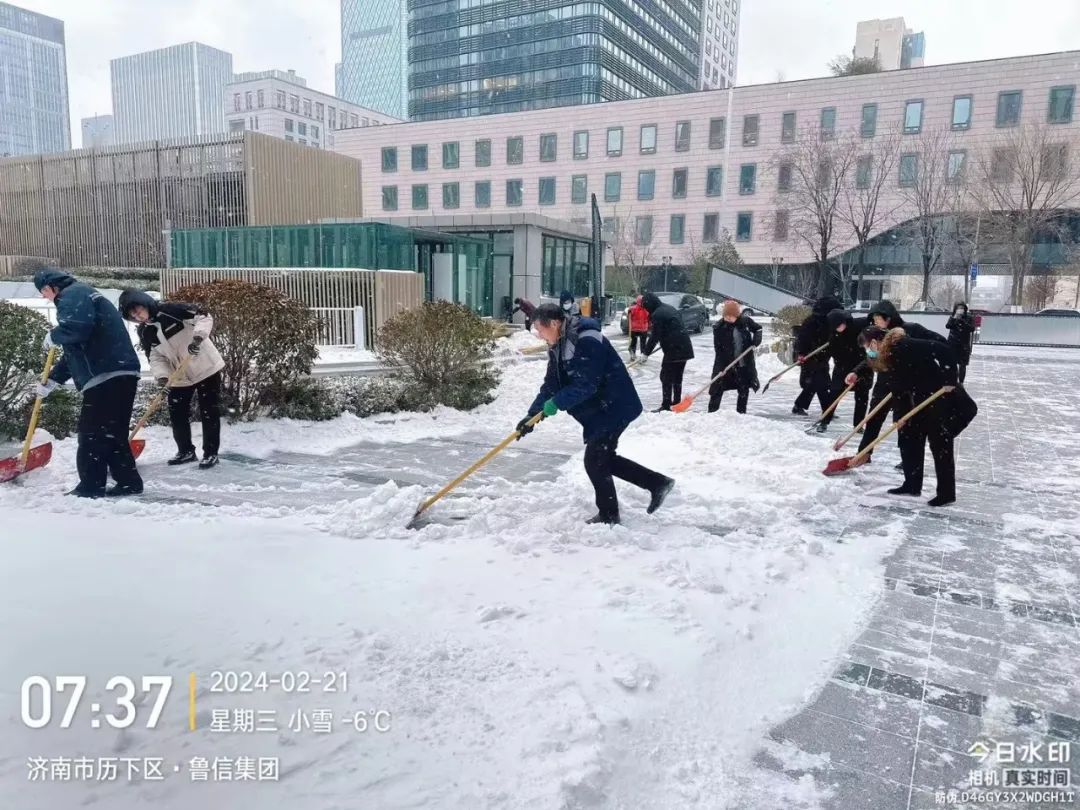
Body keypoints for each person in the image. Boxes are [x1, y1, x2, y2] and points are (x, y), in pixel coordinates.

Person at [515, 304, 675, 525]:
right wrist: (532, 416)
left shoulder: (586, 339)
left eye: (540, 330)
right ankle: (657, 483)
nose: (539, 336)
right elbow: (551, 384)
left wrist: (556, 403)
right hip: (599, 410)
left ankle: (609, 515)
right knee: (603, 459)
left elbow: (587, 384)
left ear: (554, 324)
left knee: (595, 461)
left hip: (614, 406)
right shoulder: (558, 344)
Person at [31, 269, 143, 498]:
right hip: (120, 371)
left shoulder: (72, 295)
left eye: (43, 291)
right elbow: (74, 350)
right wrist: (53, 380)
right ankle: (129, 483)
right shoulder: (83, 293)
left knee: (91, 433)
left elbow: (76, 329)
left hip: (106, 373)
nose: (44, 297)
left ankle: (91, 486)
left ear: (52, 286)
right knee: (112, 433)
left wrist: (56, 334)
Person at [859, 325, 978, 507]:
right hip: (919, 399)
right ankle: (912, 484)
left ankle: (946, 493)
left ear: (875, 342)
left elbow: (943, 350)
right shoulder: (888, 356)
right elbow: (899, 388)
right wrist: (901, 416)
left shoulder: (903, 345)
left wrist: (949, 381)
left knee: (940, 444)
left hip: (939, 397)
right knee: (909, 438)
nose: (869, 352)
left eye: (868, 347)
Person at [119, 289, 224, 469]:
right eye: (133, 315)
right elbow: (155, 357)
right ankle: (185, 451)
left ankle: (210, 453)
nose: (138, 317)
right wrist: (162, 378)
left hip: (206, 366)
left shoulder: (171, 310)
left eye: (138, 310)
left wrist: (198, 337)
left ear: (145, 303)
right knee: (177, 413)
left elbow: (204, 315)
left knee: (209, 412)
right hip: (179, 375)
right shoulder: (145, 332)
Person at [846, 300, 949, 462]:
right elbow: (872, 357)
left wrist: (937, 369)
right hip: (885, 384)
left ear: (887, 317)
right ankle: (864, 453)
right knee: (874, 418)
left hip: (909, 385)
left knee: (906, 421)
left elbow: (940, 344)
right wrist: (856, 372)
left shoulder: (911, 330)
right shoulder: (878, 334)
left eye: (877, 319)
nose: (875, 323)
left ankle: (908, 460)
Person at [819, 309, 872, 432]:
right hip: (842, 367)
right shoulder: (833, 335)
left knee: (862, 397)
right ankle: (824, 420)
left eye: (841, 324)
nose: (840, 327)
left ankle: (858, 426)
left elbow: (871, 319)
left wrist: (857, 370)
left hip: (862, 366)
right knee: (834, 394)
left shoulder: (859, 325)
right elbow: (832, 353)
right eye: (836, 326)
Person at [639, 292, 695, 411]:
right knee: (677, 377)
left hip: (673, 349)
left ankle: (666, 405)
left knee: (666, 376)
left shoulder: (657, 314)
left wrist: (645, 353)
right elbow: (673, 327)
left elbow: (655, 336)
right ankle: (676, 402)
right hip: (684, 347)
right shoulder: (669, 308)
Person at [708, 300, 762, 414]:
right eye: (726, 316)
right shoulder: (719, 328)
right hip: (726, 362)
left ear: (737, 315)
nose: (728, 318)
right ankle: (712, 413)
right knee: (717, 387)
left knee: (743, 388)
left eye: (731, 316)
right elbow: (718, 350)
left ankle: (741, 413)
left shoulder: (745, 322)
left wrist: (756, 339)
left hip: (743, 362)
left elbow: (758, 328)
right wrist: (721, 368)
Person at [792, 296, 841, 416]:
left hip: (822, 356)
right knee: (821, 383)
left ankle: (799, 405)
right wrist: (801, 353)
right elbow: (802, 340)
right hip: (809, 357)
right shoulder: (811, 322)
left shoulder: (829, 322)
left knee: (814, 384)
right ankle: (827, 410)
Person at [946, 302, 976, 384]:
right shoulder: (953, 317)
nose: (960, 310)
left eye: (962, 308)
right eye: (959, 308)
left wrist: (963, 322)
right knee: (952, 364)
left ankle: (961, 382)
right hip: (953, 343)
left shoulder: (969, 317)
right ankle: (952, 381)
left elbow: (972, 328)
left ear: (965, 309)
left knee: (962, 365)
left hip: (964, 345)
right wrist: (955, 318)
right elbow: (948, 326)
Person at [626, 295, 650, 360]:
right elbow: (648, 318)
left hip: (634, 329)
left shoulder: (632, 308)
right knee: (643, 343)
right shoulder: (647, 309)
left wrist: (629, 311)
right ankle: (643, 355)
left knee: (633, 341)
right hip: (643, 329)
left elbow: (629, 317)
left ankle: (632, 352)